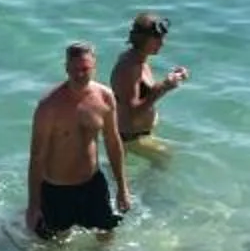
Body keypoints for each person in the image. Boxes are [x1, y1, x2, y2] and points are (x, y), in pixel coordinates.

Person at [26, 42, 131, 238]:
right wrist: (33, 205)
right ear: (66, 68)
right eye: (75, 69)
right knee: (53, 250)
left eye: (85, 69)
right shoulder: (49, 106)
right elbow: (37, 156)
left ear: (94, 67)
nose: (80, 74)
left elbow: (113, 142)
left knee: (107, 237)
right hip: (57, 190)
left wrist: (122, 188)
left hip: (92, 184)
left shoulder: (105, 97)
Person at [111, 13, 188, 146]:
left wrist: (172, 78)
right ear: (143, 39)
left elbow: (144, 91)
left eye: (163, 38)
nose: (162, 43)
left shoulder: (139, 59)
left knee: (161, 161)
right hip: (131, 137)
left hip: (140, 133)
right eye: (157, 39)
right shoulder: (129, 67)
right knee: (164, 159)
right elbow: (132, 113)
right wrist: (164, 86)